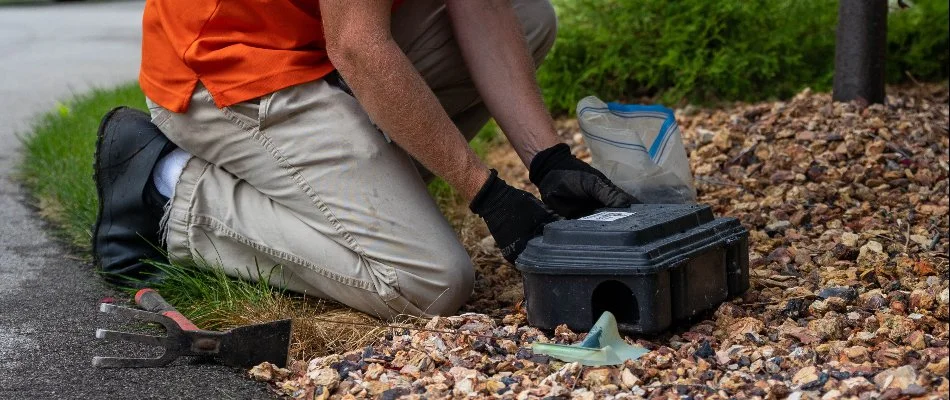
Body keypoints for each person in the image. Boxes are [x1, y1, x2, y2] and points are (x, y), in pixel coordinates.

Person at [93, 0, 636, 320]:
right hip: (233, 64)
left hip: (319, 34)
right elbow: (357, 44)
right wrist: (487, 193)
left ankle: (348, 190)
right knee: (429, 282)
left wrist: (548, 160)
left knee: (528, 17)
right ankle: (166, 185)